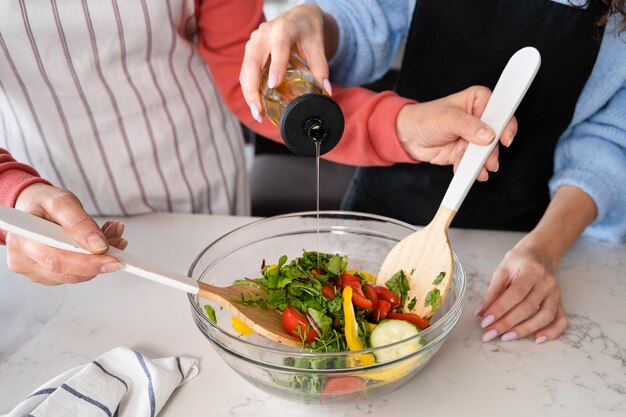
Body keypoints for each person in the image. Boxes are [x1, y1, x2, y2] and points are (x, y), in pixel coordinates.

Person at [0, 0, 511, 285]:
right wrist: (13, 195)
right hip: (42, 215)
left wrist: (404, 125)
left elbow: (251, 81)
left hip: (202, 185)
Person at [239, 0, 626, 344]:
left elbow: (608, 144)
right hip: (381, 206)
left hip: (516, 241)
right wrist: (315, 20)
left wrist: (542, 251)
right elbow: (364, 16)